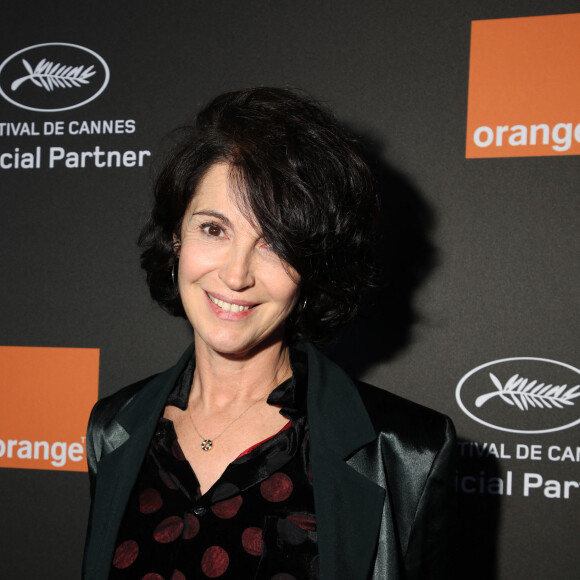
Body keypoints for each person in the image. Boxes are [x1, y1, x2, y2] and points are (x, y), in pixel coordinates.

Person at [83, 87, 456, 580]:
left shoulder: (406, 453)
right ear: (176, 238)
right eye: (214, 229)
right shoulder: (113, 428)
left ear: (312, 266)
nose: (237, 275)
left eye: (275, 243)